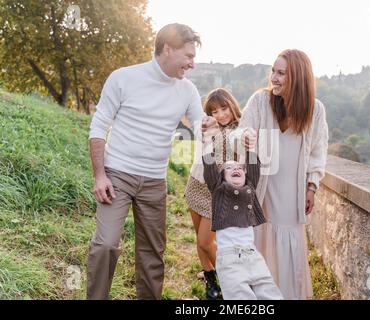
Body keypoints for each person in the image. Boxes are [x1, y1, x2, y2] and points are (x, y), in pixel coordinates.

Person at [86, 23, 216, 300]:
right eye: (189, 56)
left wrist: (206, 125)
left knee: (152, 254)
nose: (192, 64)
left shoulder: (187, 90)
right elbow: (98, 127)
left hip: (155, 181)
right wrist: (100, 175)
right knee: (106, 244)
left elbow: (197, 121)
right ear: (167, 49)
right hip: (117, 174)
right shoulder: (123, 78)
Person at [236, 49, 329, 299]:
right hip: (262, 187)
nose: (273, 78)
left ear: (297, 77)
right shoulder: (260, 101)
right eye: (273, 71)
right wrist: (245, 137)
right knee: (260, 241)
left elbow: (318, 151)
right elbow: (241, 131)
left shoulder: (315, 110)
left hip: (292, 191)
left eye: (281, 73)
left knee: (288, 243)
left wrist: (312, 186)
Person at [201, 127, 283, 300]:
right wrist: (208, 142)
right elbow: (209, 167)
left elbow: (253, 167)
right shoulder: (218, 190)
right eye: (229, 168)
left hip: (253, 255)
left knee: (271, 295)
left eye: (239, 167)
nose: (236, 168)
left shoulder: (250, 187)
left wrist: (250, 147)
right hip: (229, 258)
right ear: (222, 177)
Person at [184, 88, 242, 299]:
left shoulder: (239, 131)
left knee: (205, 242)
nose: (220, 115)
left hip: (216, 194)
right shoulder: (208, 127)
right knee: (199, 238)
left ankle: (232, 281)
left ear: (232, 106)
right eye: (214, 111)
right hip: (195, 184)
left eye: (224, 108)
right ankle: (210, 278)